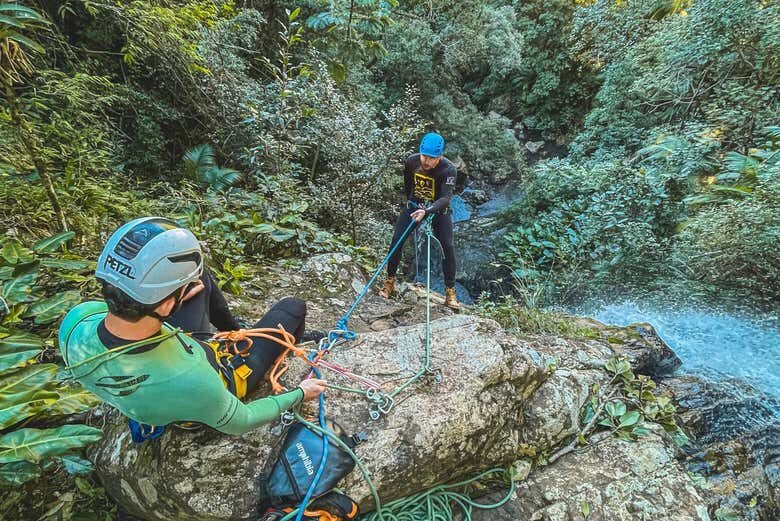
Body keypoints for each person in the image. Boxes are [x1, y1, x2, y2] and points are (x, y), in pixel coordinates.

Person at [59, 217, 327, 436]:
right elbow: (241, 421)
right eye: (179, 293)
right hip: (211, 374)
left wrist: (177, 296)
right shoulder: (194, 380)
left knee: (202, 281)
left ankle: (236, 327)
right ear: (164, 307)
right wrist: (300, 394)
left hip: (165, 353)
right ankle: (278, 342)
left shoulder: (75, 322)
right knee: (292, 307)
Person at [378, 132, 460, 309]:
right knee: (396, 241)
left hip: (438, 210)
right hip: (415, 206)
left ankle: (450, 292)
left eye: (431, 158)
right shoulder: (412, 162)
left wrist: (427, 210)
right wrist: (414, 205)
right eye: (424, 156)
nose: (426, 161)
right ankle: (389, 282)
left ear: (439, 157)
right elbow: (408, 186)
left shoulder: (449, 169)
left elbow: (445, 198)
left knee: (448, 246)